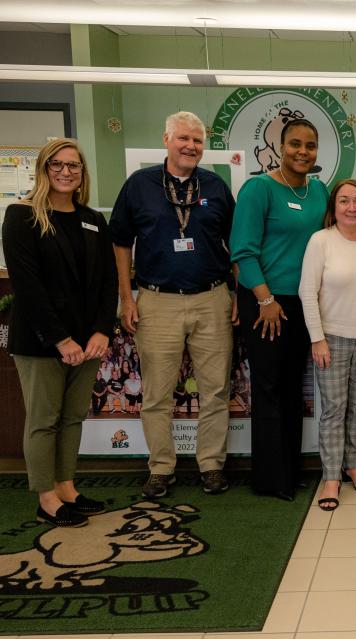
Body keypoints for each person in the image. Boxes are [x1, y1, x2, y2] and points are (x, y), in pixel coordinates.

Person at [110, 111, 235, 498]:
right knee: (157, 392)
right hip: (156, 301)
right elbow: (120, 242)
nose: (191, 146)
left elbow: (238, 243)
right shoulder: (139, 185)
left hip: (211, 298)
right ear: (166, 140)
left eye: (197, 140)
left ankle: (211, 465)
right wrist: (126, 296)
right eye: (183, 138)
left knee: (215, 390)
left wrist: (237, 294)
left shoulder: (215, 185)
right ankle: (161, 467)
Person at [2, 137, 118, 527]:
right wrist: (60, 339)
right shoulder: (21, 216)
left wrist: (102, 330)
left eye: (74, 165)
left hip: (88, 342)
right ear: (43, 170)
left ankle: (66, 487)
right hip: (41, 342)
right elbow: (28, 285)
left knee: (72, 418)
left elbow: (107, 281)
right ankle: (46, 498)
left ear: (83, 172)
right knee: (43, 418)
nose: (66, 172)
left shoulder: (92, 219)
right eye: (57, 165)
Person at [231, 118, 329, 501]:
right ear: (280, 147)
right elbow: (243, 251)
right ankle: (272, 479)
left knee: (292, 389)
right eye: (295, 144)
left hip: (303, 302)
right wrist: (265, 299)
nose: (302, 152)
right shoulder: (258, 189)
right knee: (270, 388)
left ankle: (290, 469)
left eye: (310, 145)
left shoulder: (319, 192)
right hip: (265, 302)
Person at [300, 179, 356, 511]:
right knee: (334, 410)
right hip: (331, 339)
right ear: (333, 207)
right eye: (344, 201)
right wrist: (317, 339)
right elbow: (307, 292)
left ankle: (354, 466)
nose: (351, 207)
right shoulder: (320, 241)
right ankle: (331, 477)